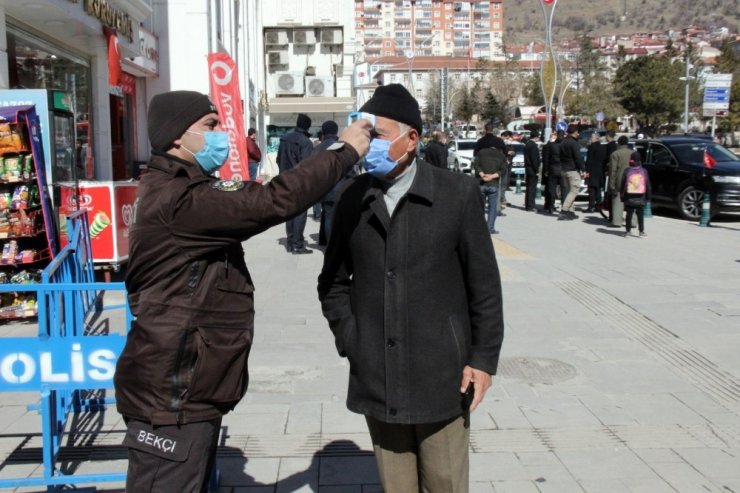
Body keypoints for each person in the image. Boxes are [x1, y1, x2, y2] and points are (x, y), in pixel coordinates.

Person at [114, 90, 371, 492]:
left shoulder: (179, 187)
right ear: (178, 136)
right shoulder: (179, 198)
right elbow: (273, 200)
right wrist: (343, 153)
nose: (221, 135)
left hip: (183, 382)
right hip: (171, 392)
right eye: (210, 126)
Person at [317, 84, 504, 493]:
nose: (368, 147)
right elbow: (331, 282)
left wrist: (483, 358)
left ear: (412, 138)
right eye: (363, 136)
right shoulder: (352, 197)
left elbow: (484, 286)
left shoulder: (456, 193)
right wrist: (353, 338)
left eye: (377, 136)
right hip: (379, 378)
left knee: (445, 484)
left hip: (443, 378)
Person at [313, 120, 355, 246]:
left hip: (324, 190)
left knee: (328, 216)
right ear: (336, 131)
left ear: (324, 132)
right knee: (340, 219)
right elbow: (350, 170)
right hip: (341, 189)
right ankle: (335, 246)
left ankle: (327, 243)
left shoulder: (317, 149)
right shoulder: (341, 146)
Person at [277, 113, 315, 253]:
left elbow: (278, 159)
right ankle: (297, 244)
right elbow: (307, 166)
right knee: (300, 213)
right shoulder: (305, 142)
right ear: (307, 126)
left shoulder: (284, 139)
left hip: (284, 180)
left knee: (290, 212)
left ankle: (290, 241)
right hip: (299, 182)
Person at [473, 141, 507, 234]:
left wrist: (482, 174)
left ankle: (479, 227)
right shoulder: (501, 155)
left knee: (480, 207)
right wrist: (492, 176)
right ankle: (490, 228)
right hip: (494, 184)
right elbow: (503, 170)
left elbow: (475, 165)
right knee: (492, 208)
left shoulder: (481, 152)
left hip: (481, 183)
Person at [619, 151, 651, 237]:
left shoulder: (627, 171)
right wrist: (648, 197)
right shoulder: (644, 171)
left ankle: (628, 231)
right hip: (641, 196)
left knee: (629, 214)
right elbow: (647, 185)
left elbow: (623, 184)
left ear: (631, 160)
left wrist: (622, 196)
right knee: (640, 214)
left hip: (629, 196)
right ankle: (641, 231)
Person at [557, 125, 585, 220]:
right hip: (572, 170)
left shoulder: (562, 142)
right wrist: (583, 169)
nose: (578, 134)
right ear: (574, 132)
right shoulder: (574, 143)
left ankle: (571, 212)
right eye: (577, 132)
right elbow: (578, 158)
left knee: (569, 191)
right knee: (574, 191)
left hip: (563, 170)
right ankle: (564, 211)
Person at [607, 135, 632, 227]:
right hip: (632, 180)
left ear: (619, 143)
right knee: (632, 201)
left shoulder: (615, 154)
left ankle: (617, 221)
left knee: (617, 200)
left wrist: (611, 185)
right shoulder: (633, 153)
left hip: (619, 180)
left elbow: (612, 171)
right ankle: (633, 222)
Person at [543, 130, 565, 215]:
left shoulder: (552, 146)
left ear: (556, 135)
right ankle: (564, 207)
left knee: (551, 189)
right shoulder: (565, 145)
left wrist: (546, 170)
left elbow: (547, 159)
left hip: (553, 169)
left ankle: (551, 207)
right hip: (563, 170)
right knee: (563, 190)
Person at [584, 133, 606, 212]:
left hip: (592, 170)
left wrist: (586, 171)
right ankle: (598, 206)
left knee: (591, 189)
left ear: (596, 138)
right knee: (598, 189)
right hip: (600, 171)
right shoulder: (603, 148)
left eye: (591, 137)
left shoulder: (591, 147)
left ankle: (591, 206)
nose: (590, 139)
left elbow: (589, 161)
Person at [523, 130, 541, 211]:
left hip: (528, 168)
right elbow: (534, 159)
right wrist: (537, 170)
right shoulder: (533, 146)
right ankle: (531, 206)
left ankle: (528, 205)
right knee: (532, 188)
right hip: (532, 169)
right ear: (536, 137)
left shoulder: (527, 144)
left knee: (528, 187)